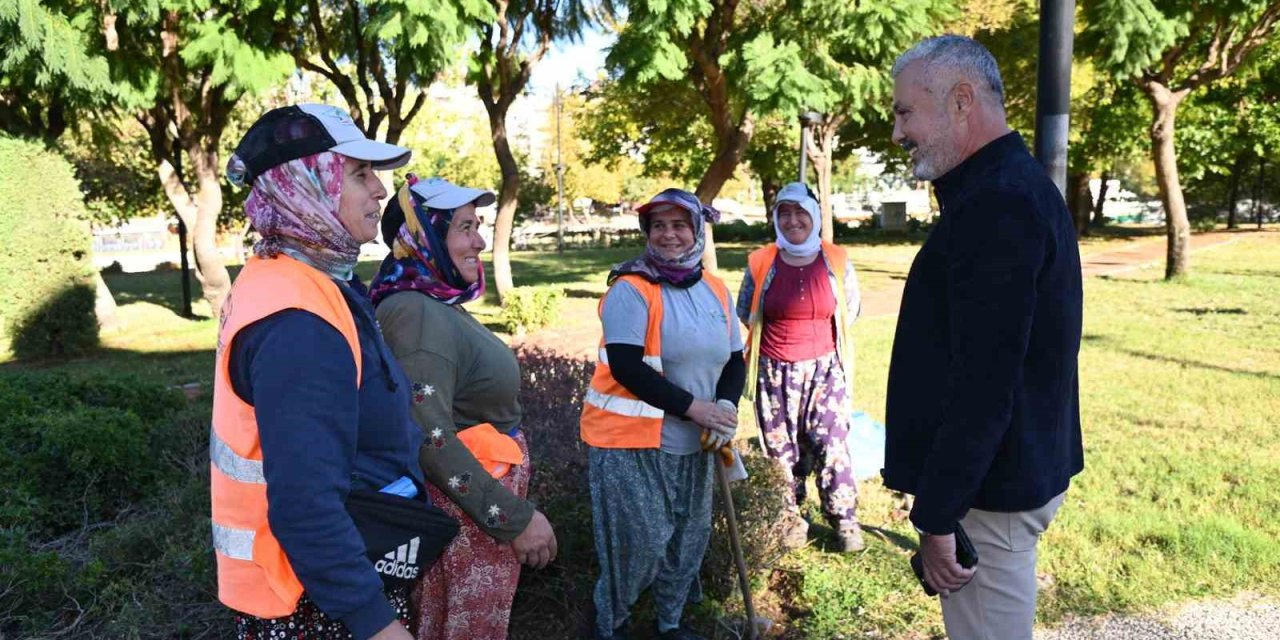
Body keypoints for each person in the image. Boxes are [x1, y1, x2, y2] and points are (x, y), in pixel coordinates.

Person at [881, 35, 1084, 640]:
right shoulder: (1004, 188)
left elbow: (985, 382)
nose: (897, 132)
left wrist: (939, 513)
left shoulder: (997, 204)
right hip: (1002, 474)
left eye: (905, 112)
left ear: (961, 100)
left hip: (990, 492)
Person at [211, 104, 427, 640]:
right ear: (305, 185)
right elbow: (304, 505)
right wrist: (376, 623)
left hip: (324, 582)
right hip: (312, 602)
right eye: (359, 174)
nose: (380, 190)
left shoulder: (302, 281)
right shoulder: (298, 321)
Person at [369, 176, 558, 640]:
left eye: (478, 226)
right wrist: (511, 518)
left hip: (475, 515)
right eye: (464, 228)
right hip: (470, 520)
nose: (479, 242)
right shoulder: (416, 313)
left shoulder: (434, 300)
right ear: (424, 236)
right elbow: (429, 437)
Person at [581, 188, 745, 640]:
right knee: (641, 545)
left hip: (696, 441)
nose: (668, 234)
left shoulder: (715, 289)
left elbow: (735, 359)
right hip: (631, 442)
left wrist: (725, 406)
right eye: (658, 226)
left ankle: (670, 624)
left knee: (688, 539)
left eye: (679, 225)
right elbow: (627, 367)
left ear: (697, 231)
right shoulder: (631, 289)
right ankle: (608, 625)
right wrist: (696, 409)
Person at [736, 181, 864, 552]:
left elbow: (850, 309)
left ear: (815, 216)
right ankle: (790, 520)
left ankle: (844, 521)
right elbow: (746, 310)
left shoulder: (836, 259)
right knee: (780, 451)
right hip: (773, 372)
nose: (792, 220)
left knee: (831, 442)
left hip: (825, 369)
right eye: (784, 213)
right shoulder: (761, 261)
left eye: (800, 212)